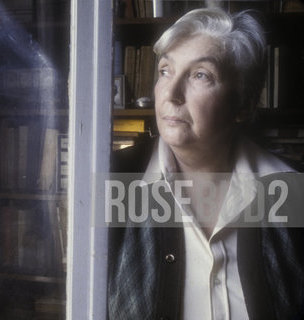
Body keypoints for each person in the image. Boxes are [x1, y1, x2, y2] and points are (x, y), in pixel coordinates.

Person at [108, 7, 304, 320]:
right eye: (165, 71)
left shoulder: (295, 190)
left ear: (244, 103)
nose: (171, 94)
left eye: (200, 75)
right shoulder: (114, 181)